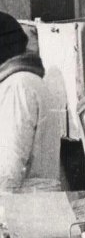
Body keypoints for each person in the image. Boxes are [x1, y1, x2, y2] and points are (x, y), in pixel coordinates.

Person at [0, 12, 63, 193]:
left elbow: (7, 171)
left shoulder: (18, 86)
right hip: (32, 205)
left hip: (24, 210)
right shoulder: (24, 81)